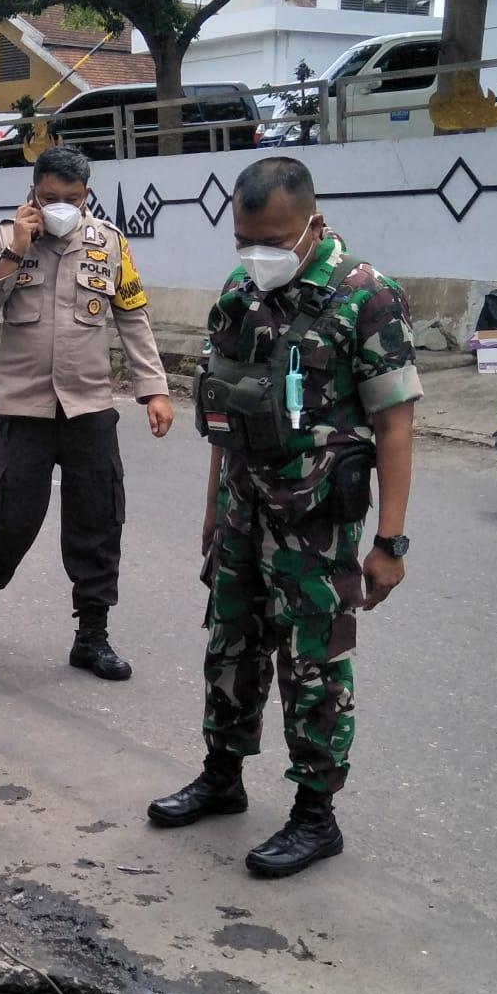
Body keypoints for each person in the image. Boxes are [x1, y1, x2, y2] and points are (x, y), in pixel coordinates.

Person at [148, 156, 419, 878]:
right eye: (243, 238)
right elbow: (220, 412)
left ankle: (314, 816)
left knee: (313, 664)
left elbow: (395, 425)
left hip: (319, 521)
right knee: (229, 643)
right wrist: (213, 507)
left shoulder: (367, 297)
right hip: (244, 506)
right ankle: (222, 775)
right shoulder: (239, 291)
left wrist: (390, 541)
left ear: (313, 225)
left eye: (271, 238)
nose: (255, 254)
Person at [0, 145, 174, 680]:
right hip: (25, 409)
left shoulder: (109, 245)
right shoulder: (5, 239)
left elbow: (134, 319)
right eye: (50, 197)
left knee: (98, 520)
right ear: (34, 192)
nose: (60, 207)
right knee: (9, 520)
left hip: (89, 406)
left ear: (86, 196)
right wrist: (12, 256)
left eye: (70, 199)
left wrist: (155, 389)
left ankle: (91, 636)